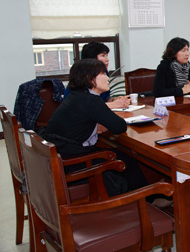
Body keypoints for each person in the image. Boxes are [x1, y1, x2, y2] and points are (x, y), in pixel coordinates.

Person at [44, 59, 148, 196]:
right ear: (89, 78)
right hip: (73, 161)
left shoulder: (76, 96)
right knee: (126, 159)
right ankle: (144, 200)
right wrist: (100, 123)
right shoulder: (91, 100)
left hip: (60, 155)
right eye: (103, 74)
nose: (107, 78)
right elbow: (119, 127)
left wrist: (95, 125)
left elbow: (81, 121)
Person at [63, 41, 129, 109]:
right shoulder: (82, 76)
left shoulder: (103, 74)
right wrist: (113, 105)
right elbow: (85, 106)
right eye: (103, 56)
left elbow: (105, 98)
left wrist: (114, 100)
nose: (107, 59)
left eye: (107, 55)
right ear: (92, 59)